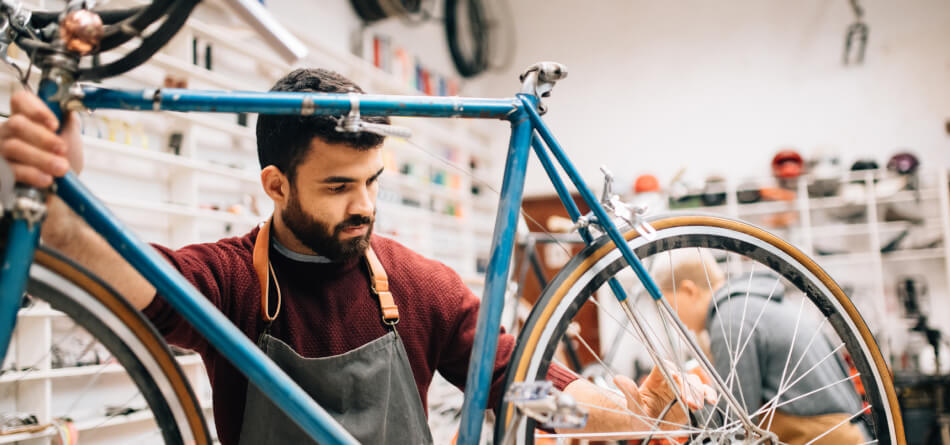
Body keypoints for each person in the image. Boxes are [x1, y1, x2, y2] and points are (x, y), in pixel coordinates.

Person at [0, 68, 709, 444]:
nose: (364, 205)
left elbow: (525, 389)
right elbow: (134, 283)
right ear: (276, 186)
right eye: (338, 186)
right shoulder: (233, 279)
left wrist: (642, 415)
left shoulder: (417, 284)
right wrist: (58, 207)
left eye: (371, 181)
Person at [650, 248, 868, 444]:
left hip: (826, 437)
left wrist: (683, 413)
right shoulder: (751, 303)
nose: (672, 319)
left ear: (689, 291)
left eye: (669, 306)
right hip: (848, 430)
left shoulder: (731, 319)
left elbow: (734, 424)